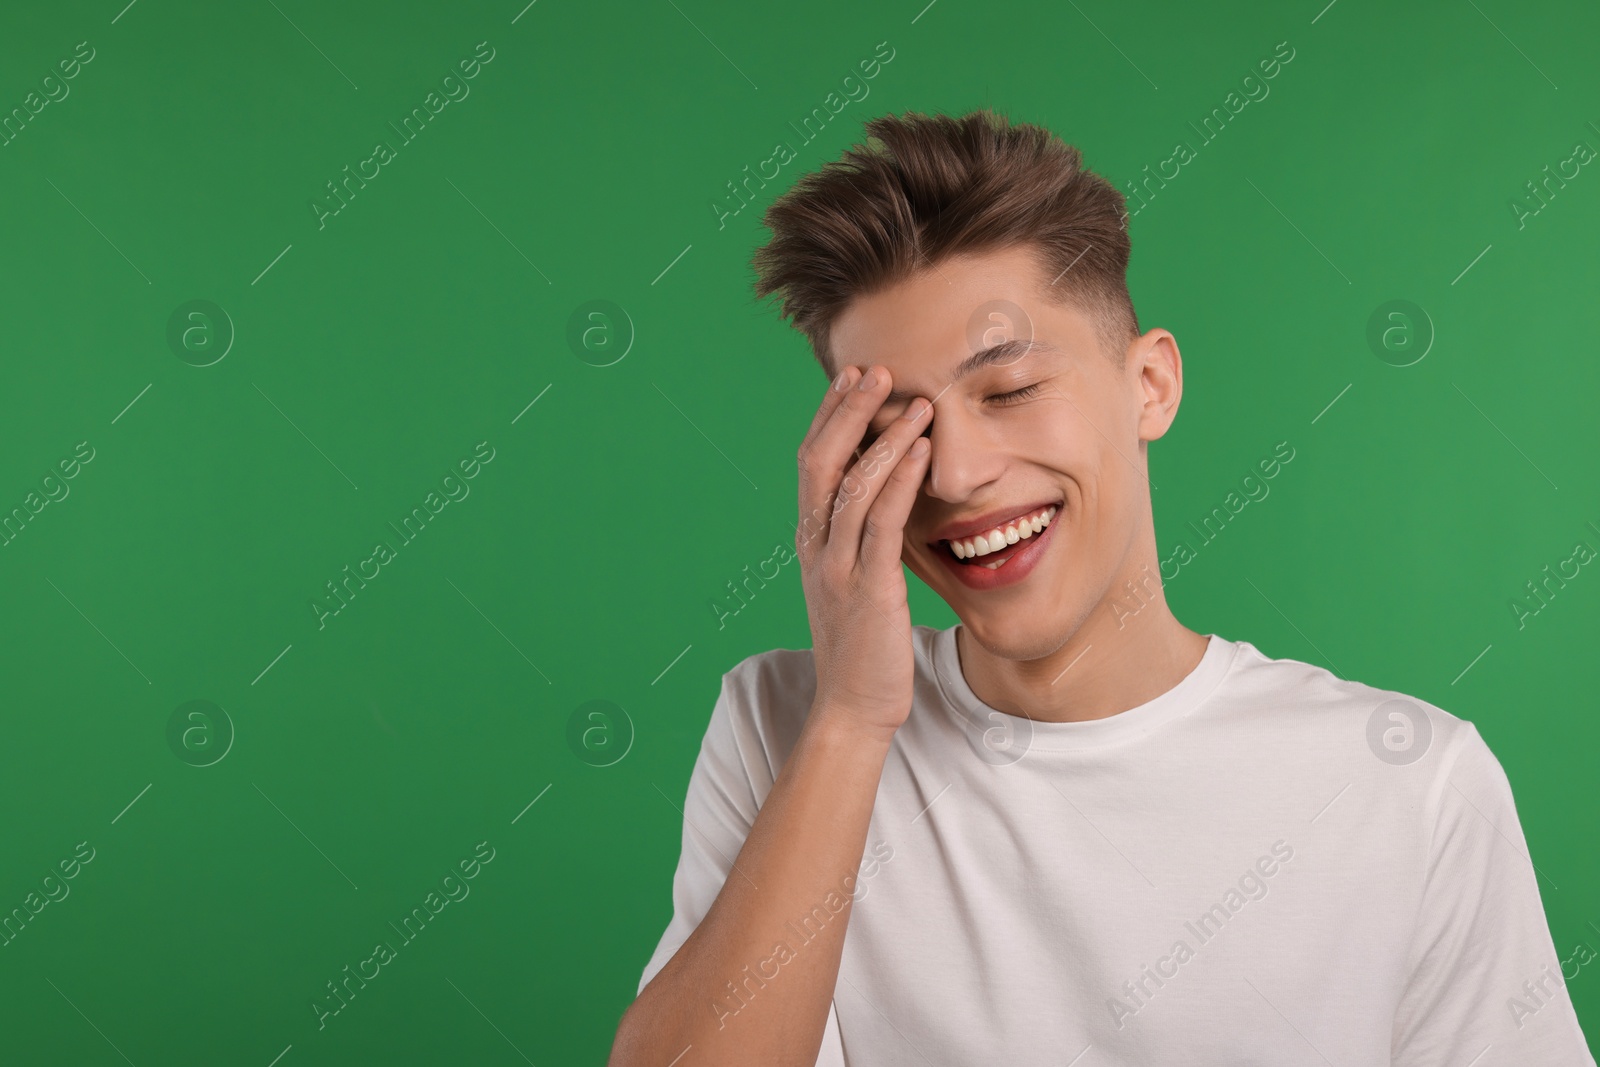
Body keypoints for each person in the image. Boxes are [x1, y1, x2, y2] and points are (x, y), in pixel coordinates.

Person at [607, 109, 1594, 1066]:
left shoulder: (1410, 782)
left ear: (1148, 386)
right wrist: (851, 720)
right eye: (897, 429)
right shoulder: (781, 723)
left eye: (1008, 391)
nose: (953, 474)